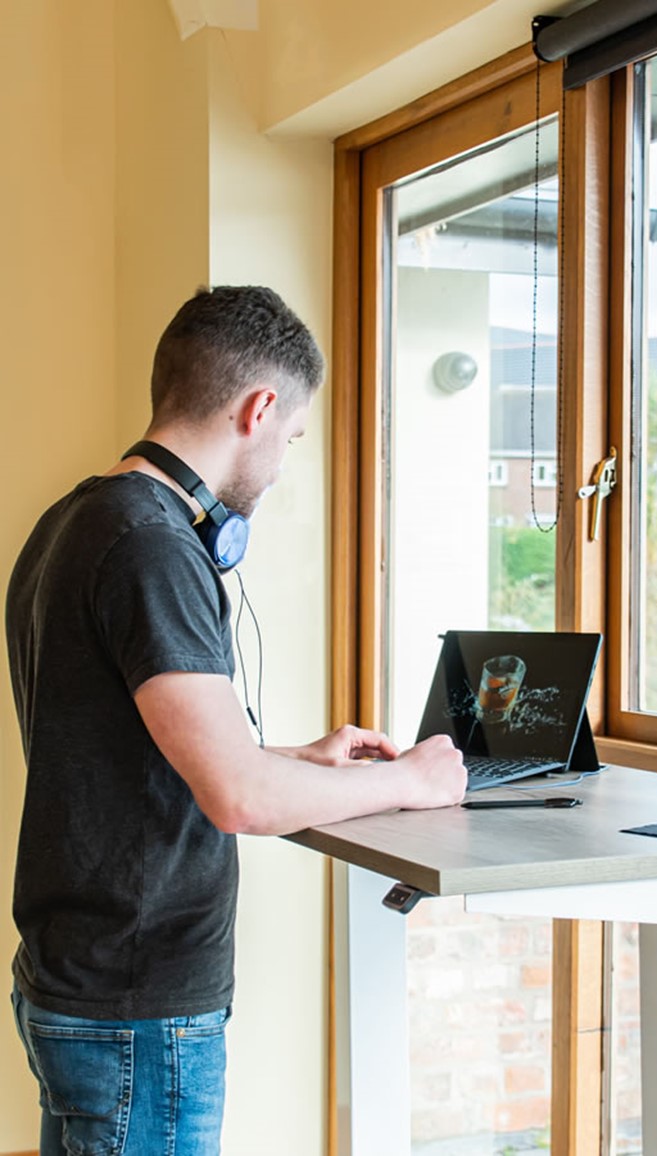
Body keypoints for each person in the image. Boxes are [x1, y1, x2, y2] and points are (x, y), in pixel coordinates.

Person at [5, 285, 466, 1155]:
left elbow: (127, 748)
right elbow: (237, 801)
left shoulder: (70, 520)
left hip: (80, 982)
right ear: (258, 407)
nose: (285, 463)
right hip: (139, 1008)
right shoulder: (151, 545)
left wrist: (306, 757)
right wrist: (411, 780)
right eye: (292, 438)